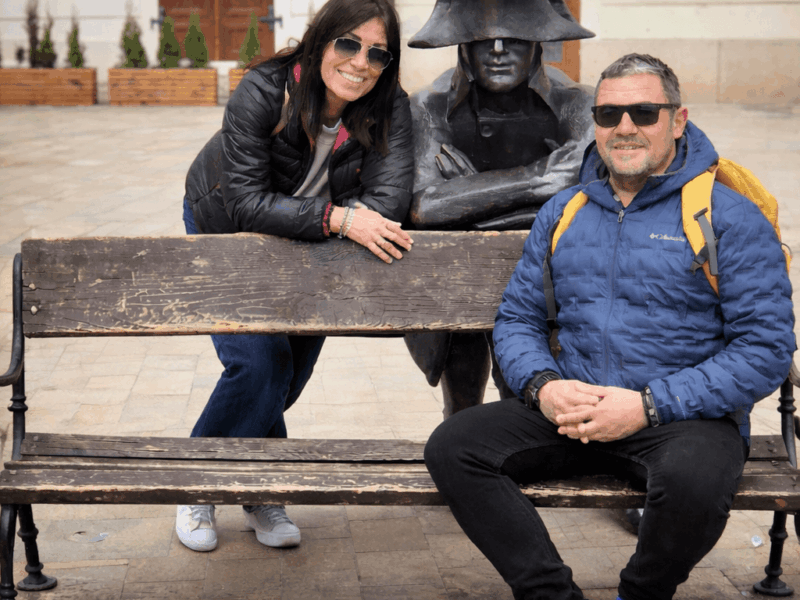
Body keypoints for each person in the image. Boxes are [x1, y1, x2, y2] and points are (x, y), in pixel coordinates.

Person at [424, 53, 795, 600]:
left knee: (695, 481)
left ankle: (640, 594)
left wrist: (647, 405)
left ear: (678, 120)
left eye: (644, 113)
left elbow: (765, 348)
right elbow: (519, 318)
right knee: (453, 447)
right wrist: (544, 388)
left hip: (683, 418)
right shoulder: (564, 211)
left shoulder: (728, 217)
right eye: (608, 114)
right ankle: (550, 593)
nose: (624, 127)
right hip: (574, 409)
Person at [179, 0, 414, 553]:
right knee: (261, 362)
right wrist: (339, 218)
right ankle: (198, 484)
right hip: (229, 229)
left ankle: (258, 487)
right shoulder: (264, 89)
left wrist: (339, 221)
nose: (360, 62)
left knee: (289, 374)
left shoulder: (389, 105)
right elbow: (245, 202)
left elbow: (388, 201)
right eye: (348, 44)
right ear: (319, 40)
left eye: (377, 53)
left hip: (316, 244)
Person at [403, 0, 596, 417]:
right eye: (482, 39)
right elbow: (425, 208)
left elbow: (586, 194)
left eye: (514, 38)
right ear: (463, 46)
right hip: (454, 276)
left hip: (544, 281)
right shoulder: (429, 107)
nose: (496, 50)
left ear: (537, 43)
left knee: (525, 387)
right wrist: (538, 179)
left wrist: (469, 196)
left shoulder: (578, 105)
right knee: (461, 387)